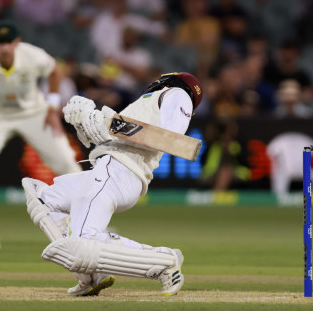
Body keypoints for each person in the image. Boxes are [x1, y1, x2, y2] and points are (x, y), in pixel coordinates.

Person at [21, 72, 203, 297]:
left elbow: (172, 140)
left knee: (80, 244)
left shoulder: (177, 93)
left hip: (120, 170)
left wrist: (105, 120)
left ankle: (164, 260)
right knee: (43, 198)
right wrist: (85, 122)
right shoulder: (148, 104)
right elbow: (112, 137)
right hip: (107, 167)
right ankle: (90, 276)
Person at [0, 22, 81, 250]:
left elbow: (55, 71)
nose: (4, 48)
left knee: (66, 161)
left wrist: (51, 109)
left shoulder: (31, 55)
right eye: (0, 43)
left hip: (34, 113)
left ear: (16, 42)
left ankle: (88, 224)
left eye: (9, 42)